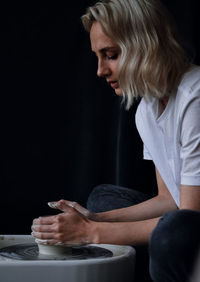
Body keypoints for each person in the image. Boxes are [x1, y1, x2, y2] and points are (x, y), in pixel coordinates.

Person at [32, 1, 200, 281]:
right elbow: (169, 199)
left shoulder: (194, 98)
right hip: (181, 219)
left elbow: (190, 217)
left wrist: (89, 232)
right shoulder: (147, 110)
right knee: (102, 200)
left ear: (145, 46)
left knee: (173, 230)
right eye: (98, 57)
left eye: (110, 55)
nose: (100, 70)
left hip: (189, 225)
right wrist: (94, 218)